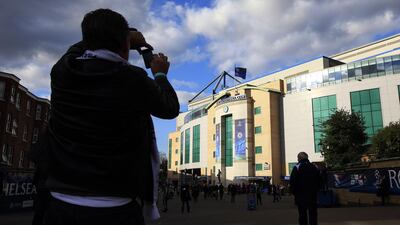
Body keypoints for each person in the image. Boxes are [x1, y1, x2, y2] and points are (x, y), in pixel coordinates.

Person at [32, 9, 179, 225]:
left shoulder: (64, 72)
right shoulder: (133, 79)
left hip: (59, 204)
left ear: (86, 39)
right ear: (124, 46)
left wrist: (123, 36)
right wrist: (160, 74)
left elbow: (75, 49)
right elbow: (170, 108)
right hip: (115, 208)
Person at [290, 152, 320, 225]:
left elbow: (292, 181)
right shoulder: (314, 167)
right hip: (312, 195)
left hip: (300, 195)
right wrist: (316, 190)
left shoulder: (297, 167)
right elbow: (319, 180)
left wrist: (294, 192)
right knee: (313, 214)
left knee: (302, 214)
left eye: (297, 158)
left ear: (299, 158)